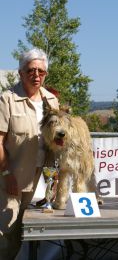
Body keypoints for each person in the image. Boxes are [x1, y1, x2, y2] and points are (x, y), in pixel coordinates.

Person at [0, 48, 59, 259]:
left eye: (41, 71)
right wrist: (7, 174)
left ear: (46, 74)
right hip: (11, 179)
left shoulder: (52, 101)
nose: (36, 75)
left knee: (24, 237)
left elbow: (55, 141)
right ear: (21, 73)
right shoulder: (6, 99)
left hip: (40, 180)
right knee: (6, 236)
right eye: (31, 70)